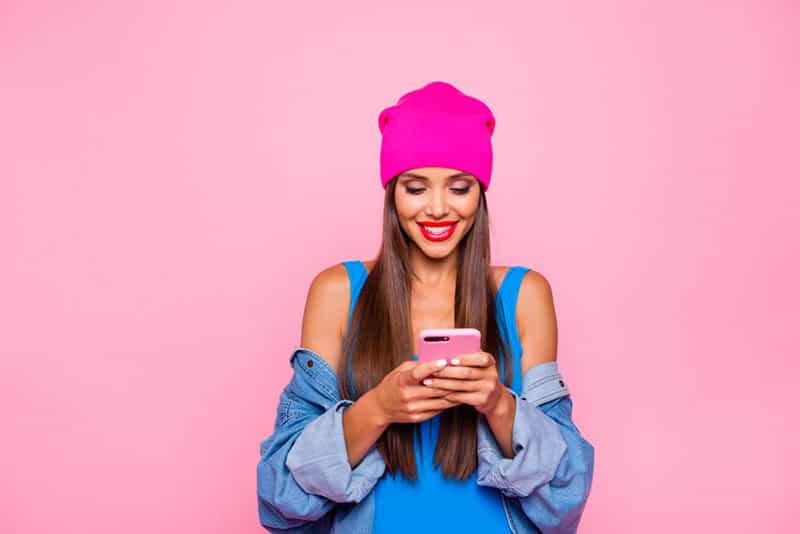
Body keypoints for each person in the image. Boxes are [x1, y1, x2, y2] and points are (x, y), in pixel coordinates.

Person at [257, 81, 595, 533]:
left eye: (459, 188)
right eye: (416, 188)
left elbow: (565, 495)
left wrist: (496, 404)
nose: (437, 209)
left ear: (480, 195)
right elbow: (280, 495)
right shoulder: (338, 292)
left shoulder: (523, 295)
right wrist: (378, 408)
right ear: (392, 194)